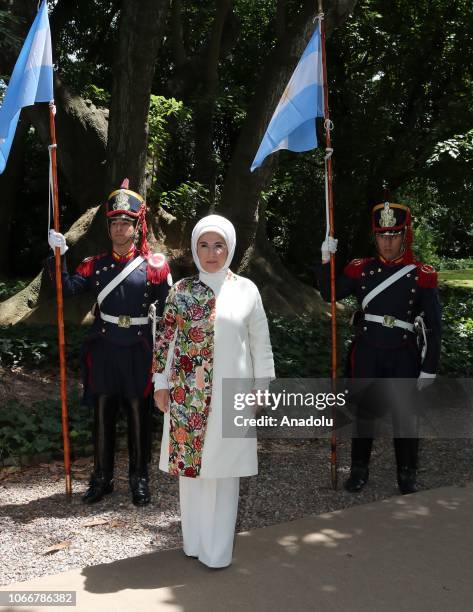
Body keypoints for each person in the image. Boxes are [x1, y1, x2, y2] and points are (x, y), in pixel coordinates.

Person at [153, 214, 274, 568]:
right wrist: (161, 383)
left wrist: (261, 386)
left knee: (224, 474)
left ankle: (217, 552)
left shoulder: (246, 290)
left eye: (218, 244)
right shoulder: (181, 291)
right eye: (204, 245)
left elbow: (260, 342)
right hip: (186, 397)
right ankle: (193, 543)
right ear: (194, 248)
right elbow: (166, 341)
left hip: (231, 395)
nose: (211, 253)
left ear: (230, 247)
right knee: (191, 473)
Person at [47, 179, 171, 506]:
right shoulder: (94, 264)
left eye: (125, 223)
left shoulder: (155, 267)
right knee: (102, 414)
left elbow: (171, 311)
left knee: (137, 414)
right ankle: (101, 478)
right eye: (114, 223)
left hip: (139, 349)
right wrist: (58, 255)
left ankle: (139, 479)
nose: (119, 229)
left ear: (137, 226)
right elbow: (67, 288)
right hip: (103, 347)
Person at [316, 202, 441, 494]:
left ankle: (407, 474)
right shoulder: (362, 270)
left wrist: (429, 367)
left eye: (394, 235)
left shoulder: (420, 274)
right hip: (368, 350)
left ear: (404, 235)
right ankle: (359, 470)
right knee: (364, 415)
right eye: (382, 235)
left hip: (403, 353)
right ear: (375, 237)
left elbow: (434, 326)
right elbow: (328, 293)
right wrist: (325, 260)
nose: (387, 242)